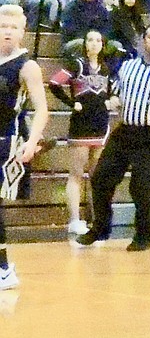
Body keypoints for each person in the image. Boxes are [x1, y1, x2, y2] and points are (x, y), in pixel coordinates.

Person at [77, 22, 150, 251]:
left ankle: (143, 235)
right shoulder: (127, 67)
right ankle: (100, 228)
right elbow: (118, 94)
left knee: (140, 185)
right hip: (126, 131)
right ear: (143, 40)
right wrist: (112, 102)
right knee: (100, 178)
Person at [47, 29, 117, 236]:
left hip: (101, 124)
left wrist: (111, 101)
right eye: (90, 40)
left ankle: (98, 219)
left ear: (103, 45)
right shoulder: (76, 64)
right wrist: (71, 103)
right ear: (84, 43)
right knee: (77, 174)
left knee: (99, 176)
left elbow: (111, 91)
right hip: (81, 125)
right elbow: (54, 83)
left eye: (98, 40)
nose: (94, 44)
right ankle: (75, 220)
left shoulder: (106, 68)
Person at [0, 5, 50, 289]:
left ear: (22, 31)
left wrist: (32, 142)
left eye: (13, 27)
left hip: (9, 141)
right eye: (3, 25)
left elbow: (42, 109)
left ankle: (4, 269)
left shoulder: (27, 66)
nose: (7, 31)